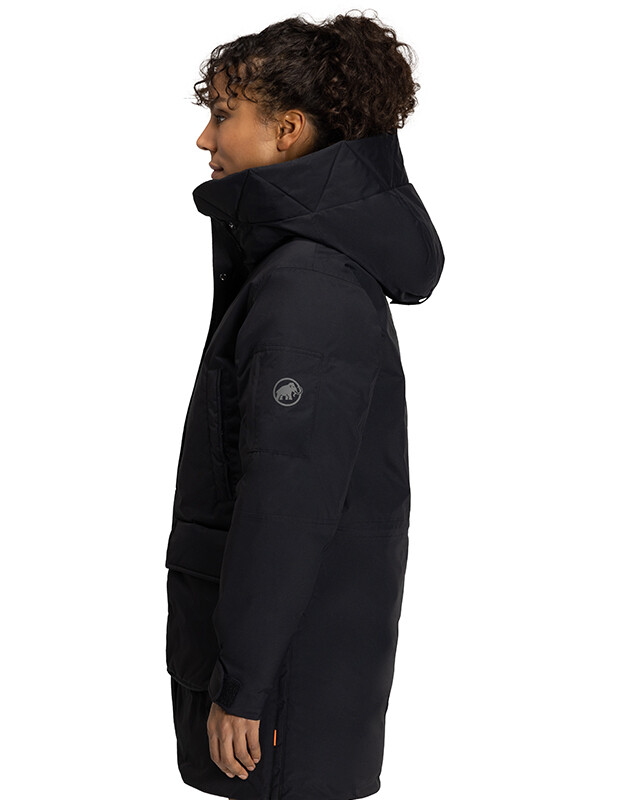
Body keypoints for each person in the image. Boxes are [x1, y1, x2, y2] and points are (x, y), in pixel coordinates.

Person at [164, 10, 445, 800]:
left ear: (286, 131)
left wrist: (244, 684)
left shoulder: (307, 290)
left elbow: (287, 501)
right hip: (296, 669)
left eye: (224, 115)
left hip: (284, 684)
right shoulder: (299, 271)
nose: (204, 139)